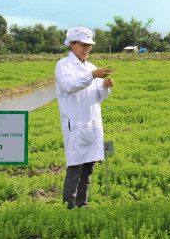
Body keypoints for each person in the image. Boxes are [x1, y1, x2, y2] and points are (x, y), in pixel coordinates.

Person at [55, 26, 114, 209]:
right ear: (72, 44)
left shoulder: (91, 66)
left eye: (89, 45)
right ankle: (69, 207)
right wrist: (92, 76)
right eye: (83, 44)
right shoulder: (63, 65)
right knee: (75, 167)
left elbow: (98, 96)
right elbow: (69, 86)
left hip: (92, 123)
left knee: (88, 167)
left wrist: (105, 87)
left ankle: (83, 203)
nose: (87, 49)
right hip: (76, 125)